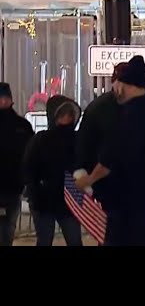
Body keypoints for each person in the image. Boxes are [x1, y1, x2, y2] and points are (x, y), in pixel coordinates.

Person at [76, 56, 145, 246]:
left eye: (117, 82)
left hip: (126, 201)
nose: (114, 87)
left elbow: (111, 158)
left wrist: (88, 179)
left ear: (127, 84)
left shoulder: (131, 116)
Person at [23, 95, 83, 246]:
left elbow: (85, 164)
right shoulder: (41, 139)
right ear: (54, 116)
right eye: (63, 114)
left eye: (70, 114)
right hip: (44, 200)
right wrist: (34, 192)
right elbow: (29, 167)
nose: (67, 118)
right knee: (44, 241)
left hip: (71, 199)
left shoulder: (78, 139)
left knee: (75, 240)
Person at [75, 62, 128, 211]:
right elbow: (85, 143)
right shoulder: (99, 109)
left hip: (134, 182)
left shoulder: (141, 107)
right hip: (108, 183)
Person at [0, 83, 34, 246]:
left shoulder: (22, 125)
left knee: (8, 229)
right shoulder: (22, 126)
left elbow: (30, 155)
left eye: (5, 98)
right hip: (13, 184)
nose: (2, 102)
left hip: (13, 186)